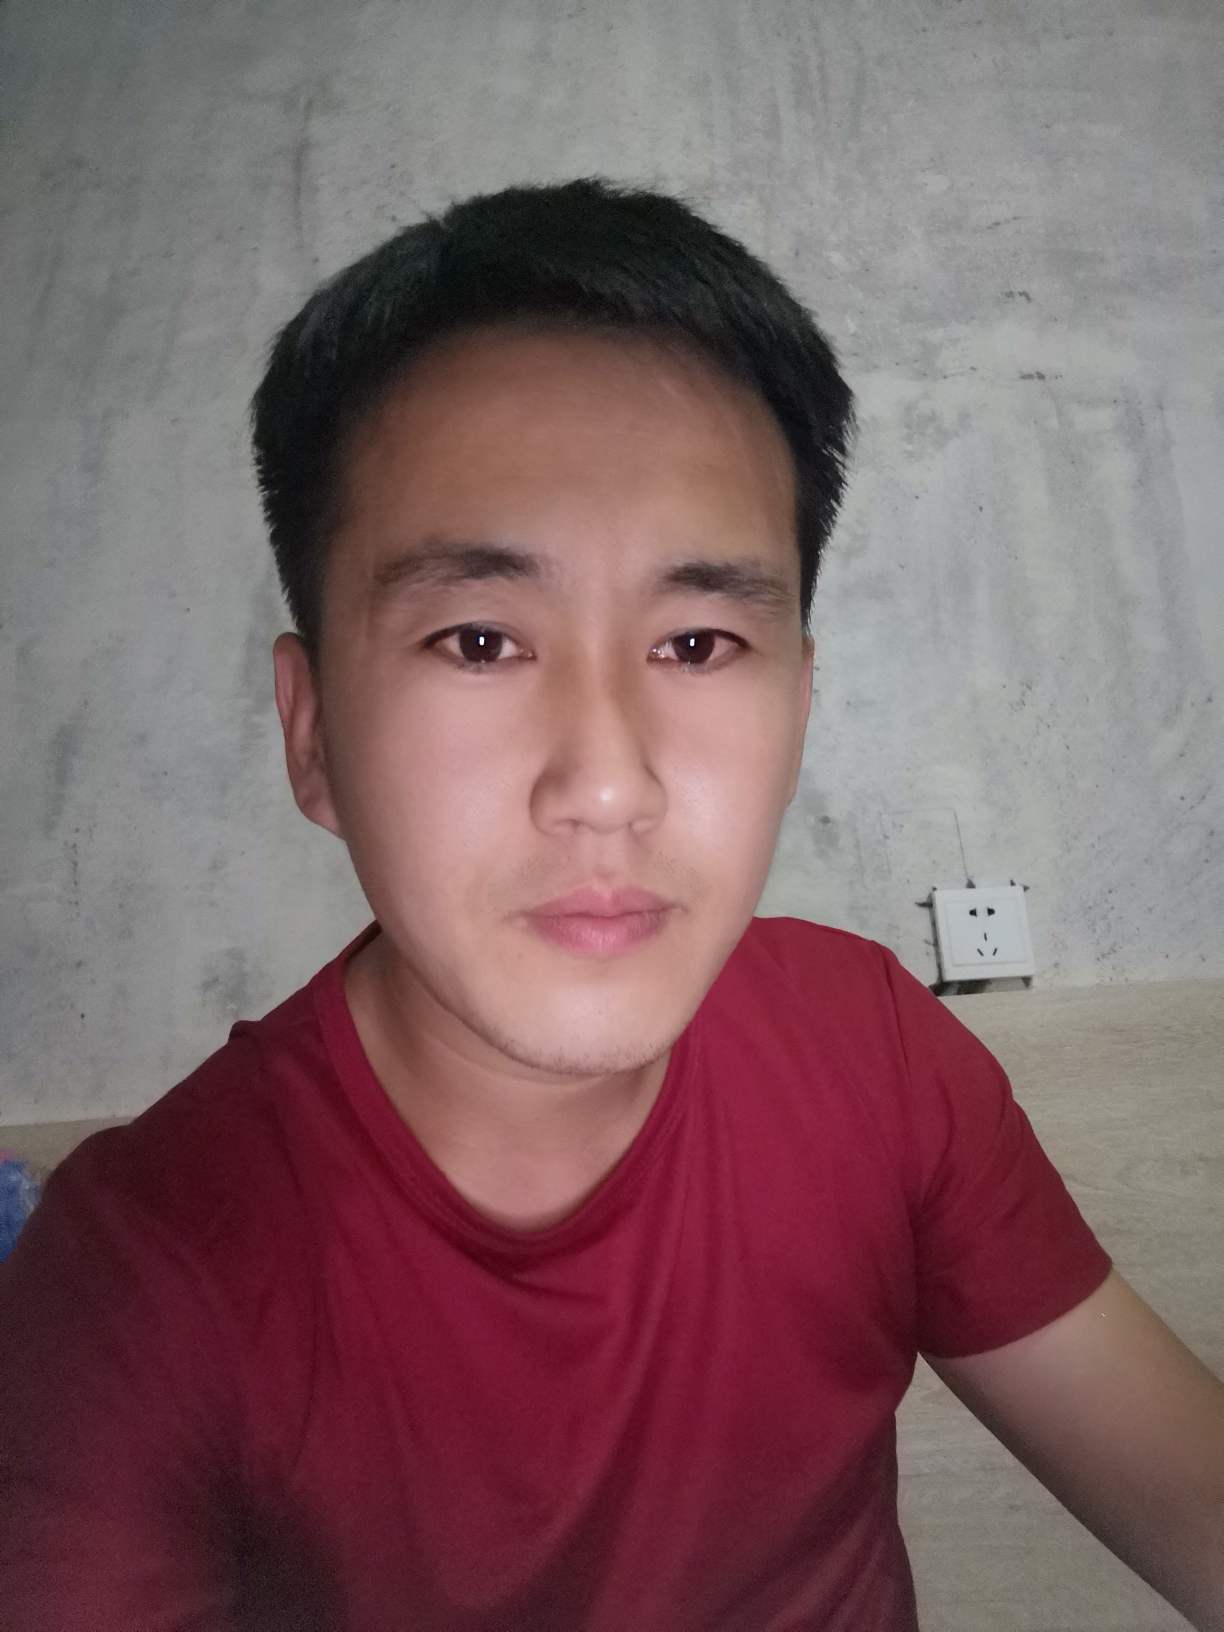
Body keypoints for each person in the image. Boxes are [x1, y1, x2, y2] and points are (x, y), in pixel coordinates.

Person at [1, 176, 1221, 1632]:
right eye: (479, 640)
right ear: (311, 732)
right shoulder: (136, 1284)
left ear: (802, 706)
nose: (605, 784)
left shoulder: (872, 1051)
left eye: (697, 644)